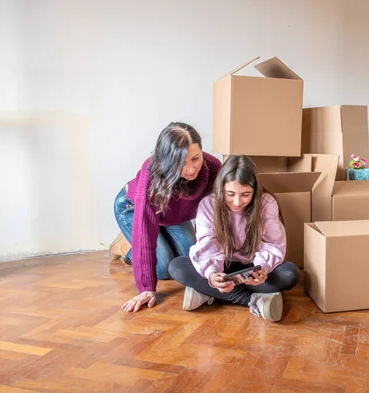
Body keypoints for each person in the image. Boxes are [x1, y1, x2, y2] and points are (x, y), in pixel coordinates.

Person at [168, 155, 300, 322]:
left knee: (290, 274)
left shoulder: (266, 203)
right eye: (230, 193)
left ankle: (207, 292)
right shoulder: (209, 204)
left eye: (246, 194)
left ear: (255, 191)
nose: (237, 202)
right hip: (222, 266)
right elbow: (207, 243)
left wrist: (263, 268)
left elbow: (272, 244)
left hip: (253, 268)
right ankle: (254, 299)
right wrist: (212, 274)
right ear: (221, 187)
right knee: (176, 266)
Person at [110, 122, 221, 313]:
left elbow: (214, 215)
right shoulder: (150, 174)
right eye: (181, 163)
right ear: (167, 161)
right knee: (162, 269)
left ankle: (162, 237)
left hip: (172, 216)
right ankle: (122, 246)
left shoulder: (213, 167)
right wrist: (147, 288)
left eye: (196, 158)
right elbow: (145, 233)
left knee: (192, 263)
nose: (192, 169)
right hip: (133, 208)